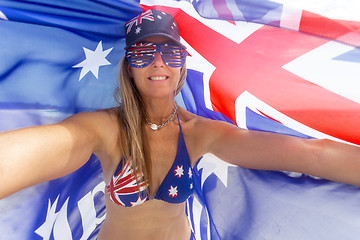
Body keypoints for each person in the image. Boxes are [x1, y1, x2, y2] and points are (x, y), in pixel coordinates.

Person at [0, 9, 359, 240]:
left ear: (183, 64)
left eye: (170, 52)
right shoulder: (106, 129)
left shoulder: (200, 134)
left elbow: (311, 154)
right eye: (143, 53)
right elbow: (55, 143)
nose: (158, 63)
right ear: (129, 66)